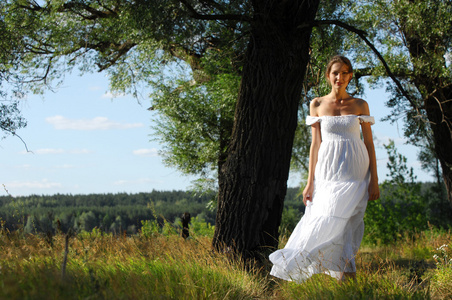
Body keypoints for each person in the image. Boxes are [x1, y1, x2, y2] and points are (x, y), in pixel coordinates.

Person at [269, 55, 380, 282]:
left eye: (345, 73)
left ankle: (348, 280)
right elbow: (315, 145)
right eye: (335, 72)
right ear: (328, 75)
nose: (340, 77)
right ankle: (299, 261)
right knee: (324, 217)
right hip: (328, 172)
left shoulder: (360, 104)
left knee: (349, 222)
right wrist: (310, 182)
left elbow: (369, 143)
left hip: (355, 171)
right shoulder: (317, 104)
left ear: (350, 76)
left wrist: (374, 180)